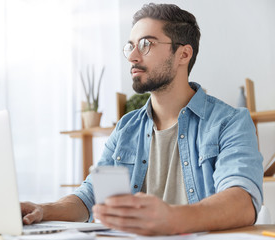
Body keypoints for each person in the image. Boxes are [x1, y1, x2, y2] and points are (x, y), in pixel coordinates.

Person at [21, 3, 263, 236]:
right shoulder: (126, 127)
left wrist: (172, 219)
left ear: (183, 54)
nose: (132, 57)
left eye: (146, 44)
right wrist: (45, 210)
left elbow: (243, 201)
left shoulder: (230, 122)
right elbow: (90, 196)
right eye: (130, 46)